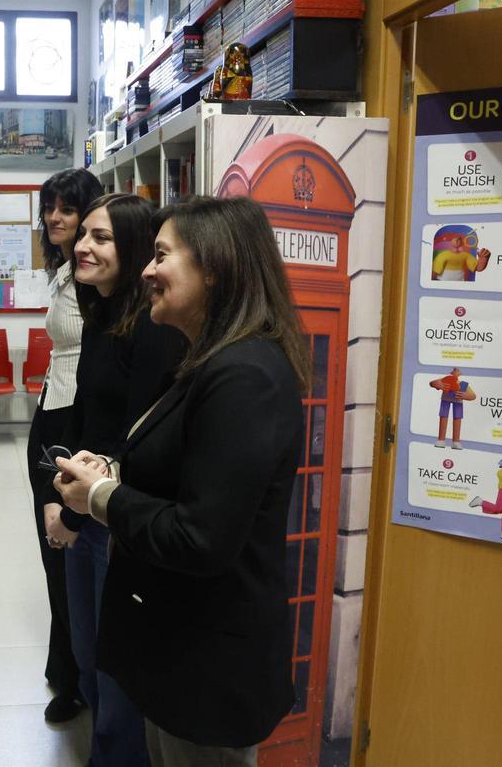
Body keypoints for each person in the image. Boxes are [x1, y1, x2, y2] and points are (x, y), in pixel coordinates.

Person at [54, 196, 309, 767]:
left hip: (209, 670)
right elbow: (187, 478)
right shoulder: (208, 359)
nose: (146, 268)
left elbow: (201, 537)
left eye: (162, 254)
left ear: (213, 268)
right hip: (175, 653)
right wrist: (115, 472)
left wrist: (100, 497)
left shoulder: (244, 376)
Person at [58, 192, 187, 765]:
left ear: (133, 248)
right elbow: (88, 417)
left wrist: (78, 504)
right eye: (82, 233)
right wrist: (62, 497)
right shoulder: (98, 315)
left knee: (115, 672)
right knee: (87, 655)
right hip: (85, 506)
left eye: (100, 237)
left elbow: (133, 438)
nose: (82, 245)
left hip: (117, 516)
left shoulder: (152, 327)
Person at [25, 167, 105, 724]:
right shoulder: (63, 273)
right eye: (49, 207)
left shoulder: (94, 281)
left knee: (69, 551)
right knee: (54, 556)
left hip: (76, 424)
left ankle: (80, 679)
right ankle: (68, 668)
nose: (55, 216)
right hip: (50, 415)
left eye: (67, 208)